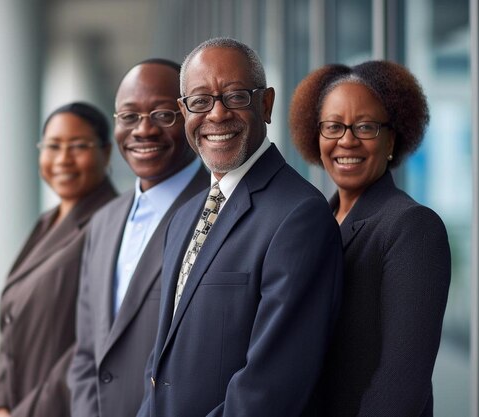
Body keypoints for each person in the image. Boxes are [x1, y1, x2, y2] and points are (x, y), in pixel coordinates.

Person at [136, 38, 344, 417]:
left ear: (265, 104)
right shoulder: (184, 218)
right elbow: (160, 362)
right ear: (184, 112)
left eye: (235, 96)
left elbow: (271, 390)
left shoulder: (299, 217)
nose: (217, 115)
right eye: (200, 101)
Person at [289, 60, 451, 416]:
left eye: (365, 126)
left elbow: (402, 383)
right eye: (333, 126)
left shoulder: (412, 227)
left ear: (392, 138)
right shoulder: (315, 224)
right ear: (315, 137)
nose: (347, 139)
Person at [67, 58, 208, 417]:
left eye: (163, 115)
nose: (143, 130)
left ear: (190, 117)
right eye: (129, 116)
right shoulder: (103, 221)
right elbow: (86, 351)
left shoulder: (218, 211)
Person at [0, 102, 117, 417]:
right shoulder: (48, 221)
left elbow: (93, 343)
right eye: (52, 146)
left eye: (78, 146)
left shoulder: (112, 224)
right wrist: (0, 402)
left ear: (106, 153)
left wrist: (29, 412)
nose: (62, 159)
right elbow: (11, 321)